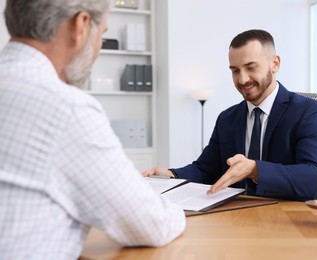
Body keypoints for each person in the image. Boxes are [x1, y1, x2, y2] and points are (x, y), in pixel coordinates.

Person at [0, 0, 185, 259]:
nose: (98, 47)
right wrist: (176, 209)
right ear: (81, 25)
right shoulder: (66, 108)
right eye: (103, 33)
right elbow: (151, 224)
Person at [143, 29, 317, 202]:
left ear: (275, 63)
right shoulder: (227, 118)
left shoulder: (310, 113)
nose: (242, 79)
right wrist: (171, 175)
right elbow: (205, 170)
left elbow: (315, 182)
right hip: (236, 218)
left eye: (251, 67)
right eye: (235, 71)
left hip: (289, 222)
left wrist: (254, 169)